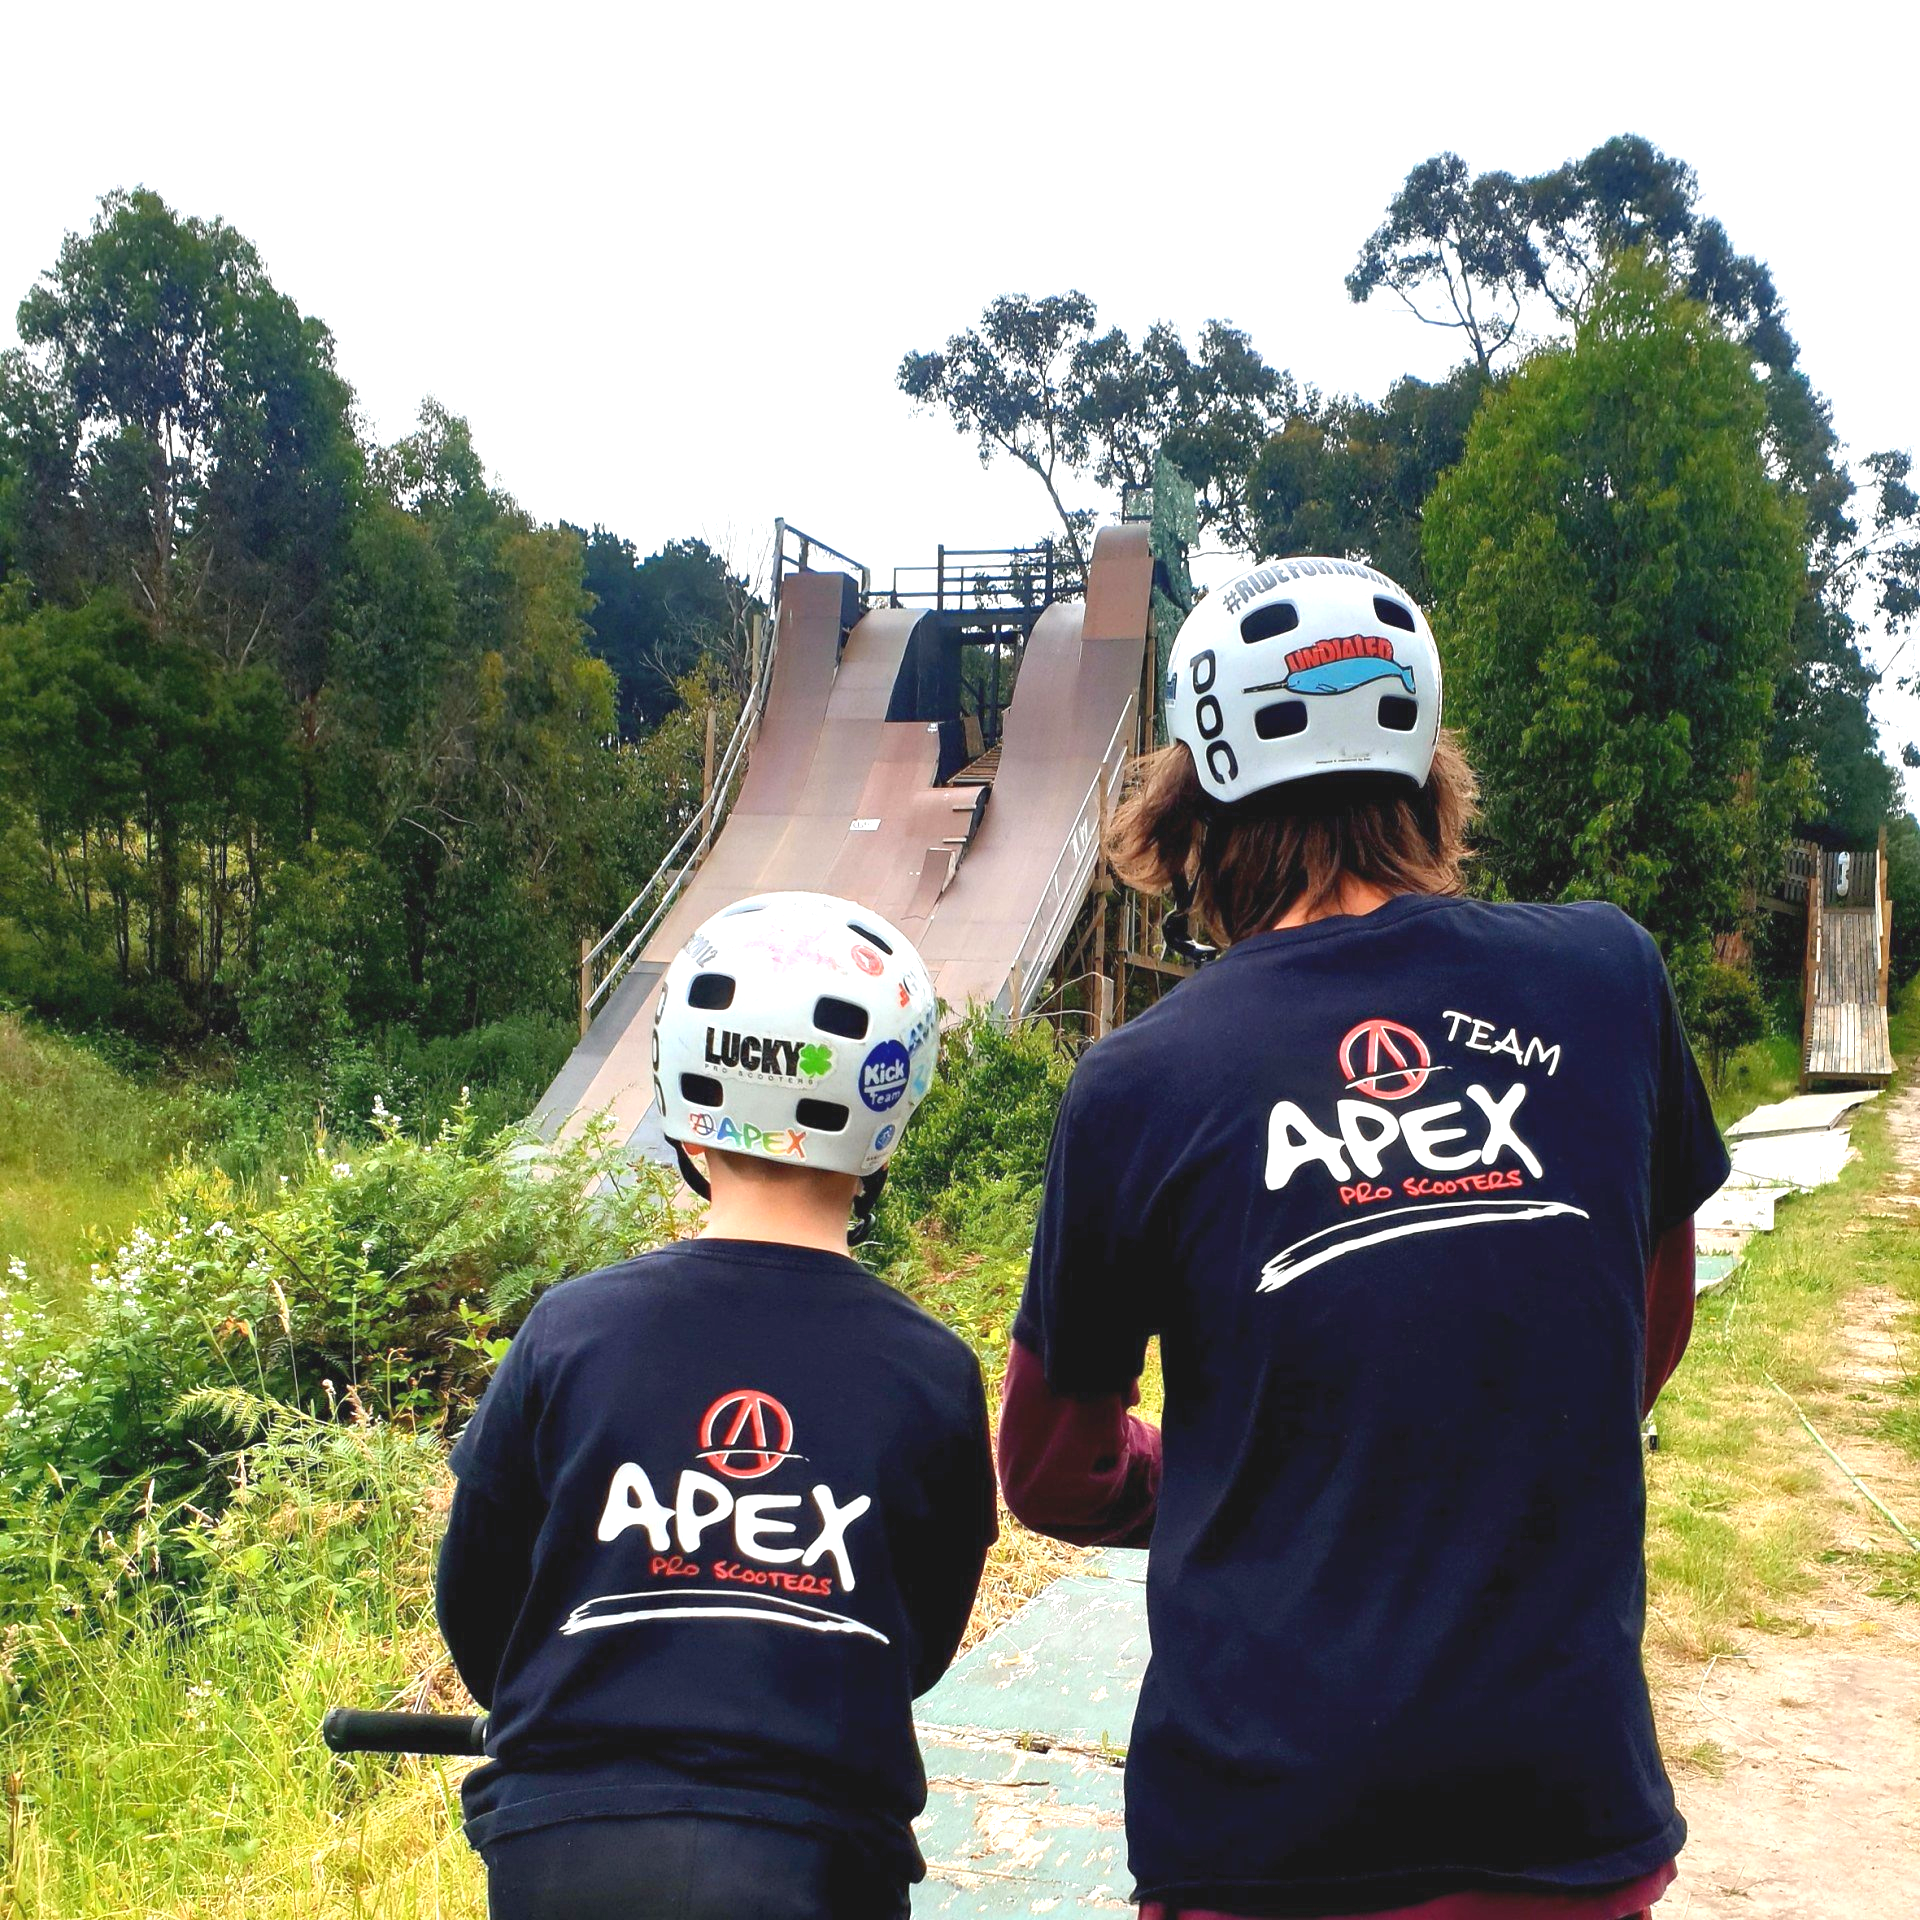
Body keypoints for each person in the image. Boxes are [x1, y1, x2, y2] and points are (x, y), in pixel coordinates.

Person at [999, 558, 1725, 1920]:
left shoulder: (1139, 1081)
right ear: (1426, 767)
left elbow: (1049, 1467)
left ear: (1191, 805)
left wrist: (1214, 1469)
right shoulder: (1608, 977)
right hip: (1559, 1805)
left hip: (1262, 1838)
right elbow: (1642, 1324)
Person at [437, 891, 996, 1920]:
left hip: (564, 1847)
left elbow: (479, 1613)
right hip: (819, 1858)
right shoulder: (932, 1372)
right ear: (889, 1116)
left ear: (686, 1108)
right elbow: (916, 1640)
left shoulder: (568, 1332)